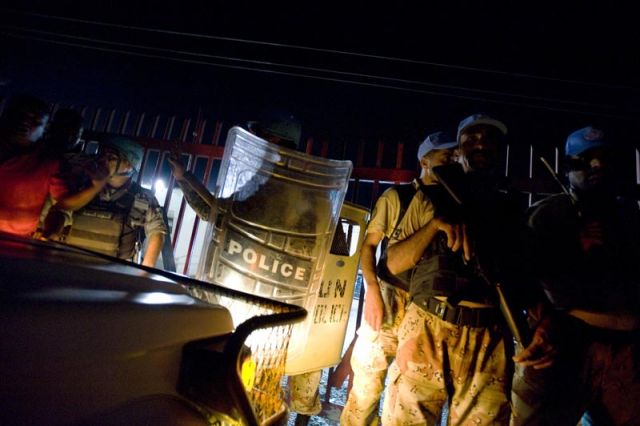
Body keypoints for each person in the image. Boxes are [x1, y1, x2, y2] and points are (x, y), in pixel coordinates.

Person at [169, 113, 326, 423]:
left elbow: (218, 214)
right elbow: (219, 214)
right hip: (256, 302)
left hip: (264, 307)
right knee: (246, 394)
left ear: (277, 143)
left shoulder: (292, 189)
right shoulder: (269, 181)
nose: (258, 143)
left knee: (246, 397)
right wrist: (184, 178)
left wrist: (186, 179)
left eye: (262, 137)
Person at [381, 114, 523, 425]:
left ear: (501, 150)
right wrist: (434, 225)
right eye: (471, 139)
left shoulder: (513, 207)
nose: (480, 144)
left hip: (488, 338)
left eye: (489, 139)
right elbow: (392, 264)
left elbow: (523, 277)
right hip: (428, 327)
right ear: (458, 151)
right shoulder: (429, 196)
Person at [510, 126, 640, 425]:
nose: (597, 166)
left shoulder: (630, 217)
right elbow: (523, 278)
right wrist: (570, 245)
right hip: (561, 347)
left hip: (624, 354)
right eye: (586, 159)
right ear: (568, 168)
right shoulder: (544, 215)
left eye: (604, 159)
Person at [341, 131, 458, 426]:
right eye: (446, 155)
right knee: (366, 386)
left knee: (407, 394)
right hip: (391, 295)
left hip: (426, 307)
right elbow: (368, 246)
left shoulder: (455, 202)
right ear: (425, 161)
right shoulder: (399, 197)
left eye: (455, 154)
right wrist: (372, 291)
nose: (453, 159)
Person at [50, 136, 167, 267]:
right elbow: (61, 211)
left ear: (129, 165)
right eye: (102, 155)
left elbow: (156, 232)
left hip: (113, 273)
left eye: (111, 157)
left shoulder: (143, 197)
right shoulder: (83, 185)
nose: (102, 160)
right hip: (71, 264)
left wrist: (144, 272)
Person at [0, 95, 94, 237]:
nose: (25, 123)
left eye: (74, 133)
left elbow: (65, 205)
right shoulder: (47, 157)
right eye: (20, 116)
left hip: (20, 240)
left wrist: (96, 186)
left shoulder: (55, 163)